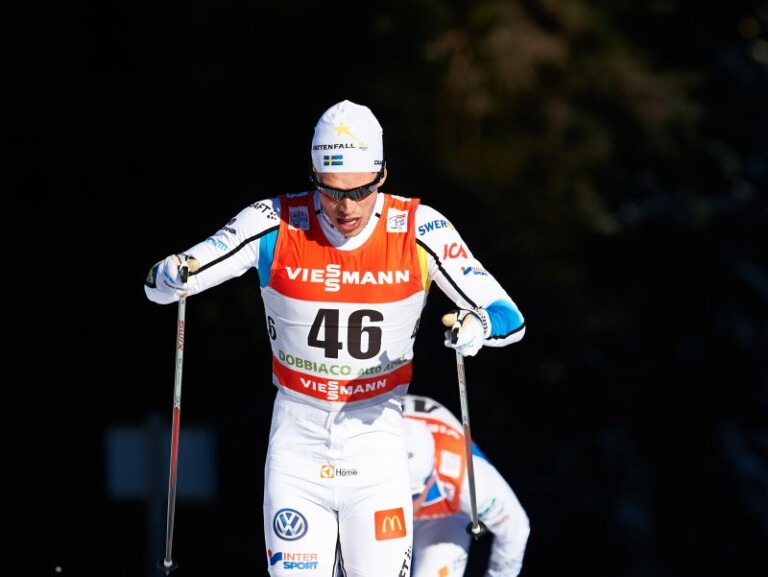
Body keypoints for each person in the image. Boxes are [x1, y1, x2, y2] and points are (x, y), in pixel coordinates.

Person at [144, 99, 526, 577]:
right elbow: (166, 282)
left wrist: (477, 327)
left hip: (377, 443)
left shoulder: (420, 229)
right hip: (297, 442)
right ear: (313, 176)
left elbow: (509, 315)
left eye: (360, 191)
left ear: (382, 175)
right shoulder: (275, 221)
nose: (346, 208)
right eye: (330, 190)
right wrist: (171, 276)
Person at [401, 394, 530, 577]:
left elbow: (515, 527)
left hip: (442, 519)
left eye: (413, 495)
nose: (405, 506)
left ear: (432, 476)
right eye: (396, 495)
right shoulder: (358, 458)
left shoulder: (468, 479)